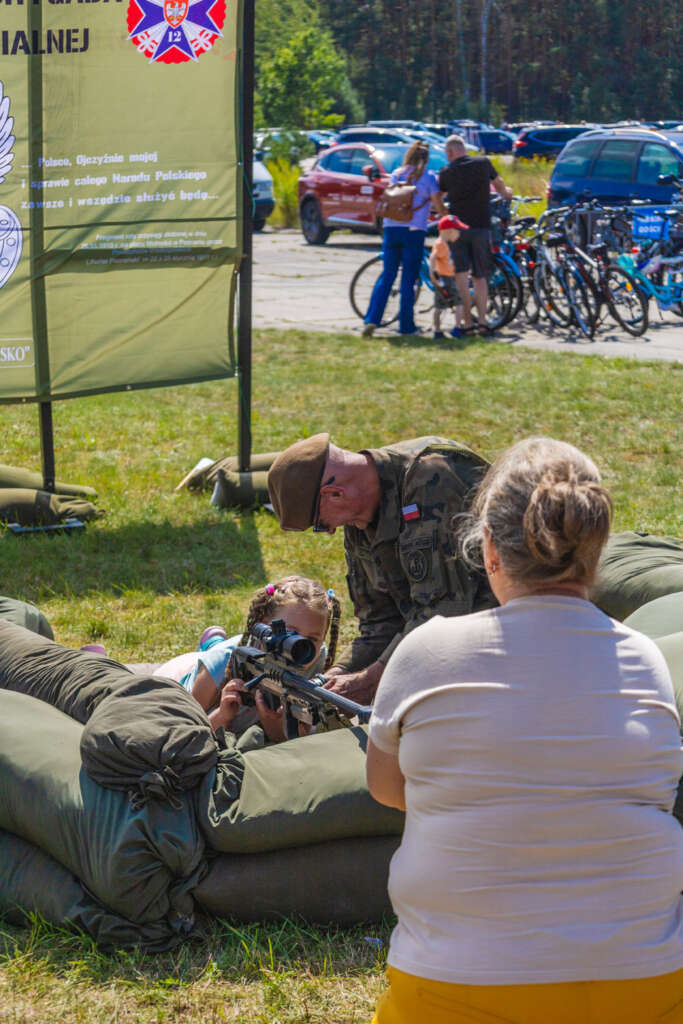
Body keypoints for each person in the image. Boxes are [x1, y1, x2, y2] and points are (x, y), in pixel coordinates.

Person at [366, 436, 683, 1024]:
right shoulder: (644, 660)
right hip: (644, 984)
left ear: (488, 548)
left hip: (455, 985)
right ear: (599, 549)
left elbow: (387, 789)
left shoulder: (427, 651)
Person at [267, 433, 496, 705]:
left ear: (335, 493)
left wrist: (373, 678)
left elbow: (444, 616)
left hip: (500, 642)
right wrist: (333, 678)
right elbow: (378, 623)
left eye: (319, 523)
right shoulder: (358, 521)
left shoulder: (433, 479)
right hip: (443, 647)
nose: (328, 531)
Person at [150, 576, 341, 741]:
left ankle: (213, 641)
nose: (299, 648)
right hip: (181, 681)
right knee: (213, 655)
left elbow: (291, 737)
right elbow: (183, 731)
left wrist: (274, 728)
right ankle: (211, 645)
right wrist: (221, 716)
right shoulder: (223, 661)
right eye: (291, 634)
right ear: (264, 624)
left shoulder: (313, 655)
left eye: (312, 639)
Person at [363, 142, 447, 337]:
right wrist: (445, 214)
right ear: (426, 160)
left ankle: (372, 319)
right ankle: (406, 326)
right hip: (413, 231)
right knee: (408, 279)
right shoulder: (428, 178)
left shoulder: (397, 173)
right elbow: (438, 205)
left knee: (387, 275)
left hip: (391, 229)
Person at [439, 133, 513, 335]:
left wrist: (443, 213)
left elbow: (438, 195)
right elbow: (498, 184)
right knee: (481, 277)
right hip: (481, 226)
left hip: (458, 229)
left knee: (461, 274)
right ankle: (483, 322)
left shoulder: (447, 171)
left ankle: (467, 323)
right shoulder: (483, 163)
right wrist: (507, 193)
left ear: (451, 152)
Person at [428, 214, 468, 339]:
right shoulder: (441, 244)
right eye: (458, 231)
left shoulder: (443, 243)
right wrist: (434, 275)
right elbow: (433, 257)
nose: (459, 234)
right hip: (444, 279)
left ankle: (438, 331)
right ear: (450, 231)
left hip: (446, 278)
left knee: (440, 306)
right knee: (459, 303)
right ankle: (457, 328)